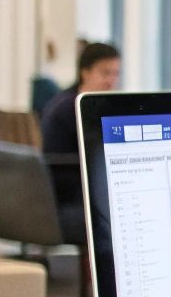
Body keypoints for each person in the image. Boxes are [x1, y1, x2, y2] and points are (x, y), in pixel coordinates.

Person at [40, 42, 121, 229]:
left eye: (116, 74)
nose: (111, 81)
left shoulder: (98, 104)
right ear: (85, 72)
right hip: (69, 195)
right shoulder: (68, 108)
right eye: (105, 73)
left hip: (88, 188)